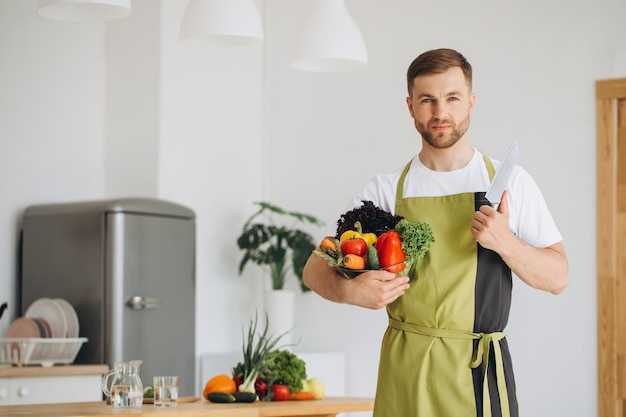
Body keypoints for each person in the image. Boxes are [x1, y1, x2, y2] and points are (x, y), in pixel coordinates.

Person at [302, 48, 569, 417]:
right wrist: (349, 290)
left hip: (477, 373)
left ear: (471, 102)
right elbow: (313, 269)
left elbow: (558, 277)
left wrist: (506, 243)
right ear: (410, 106)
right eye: (427, 100)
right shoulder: (386, 191)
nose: (440, 112)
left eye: (452, 98)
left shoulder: (509, 183)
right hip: (404, 371)